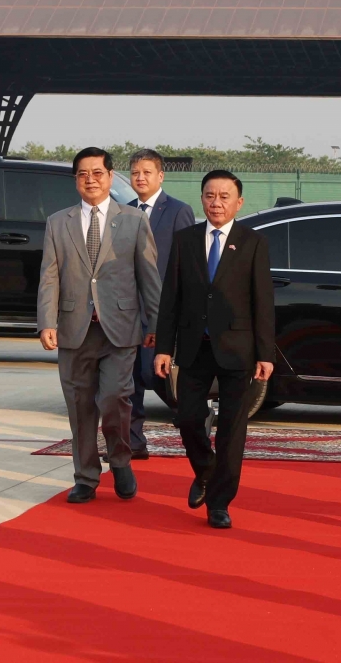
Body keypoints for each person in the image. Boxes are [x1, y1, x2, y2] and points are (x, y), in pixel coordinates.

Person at [37, 147, 160, 503]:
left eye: (97, 173)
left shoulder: (134, 221)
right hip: (74, 328)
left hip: (120, 328)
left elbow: (148, 277)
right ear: (75, 180)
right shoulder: (58, 222)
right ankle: (86, 477)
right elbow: (50, 276)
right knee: (79, 406)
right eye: (82, 174)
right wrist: (47, 320)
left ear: (110, 177)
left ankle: (120, 458)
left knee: (113, 399)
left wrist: (155, 323)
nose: (90, 179)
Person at [154, 170, 274, 529]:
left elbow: (263, 302)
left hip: (238, 349)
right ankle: (205, 469)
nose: (216, 203)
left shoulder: (252, 242)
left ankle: (220, 503)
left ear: (239, 202)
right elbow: (170, 299)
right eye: (209, 195)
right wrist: (164, 347)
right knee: (188, 419)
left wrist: (265, 353)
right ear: (201, 198)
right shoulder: (185, 240)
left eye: (224, 196)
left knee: (232, 431)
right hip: (193, 347)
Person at [125, 148, 194, 458]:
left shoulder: (179, 211)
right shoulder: (123, 211)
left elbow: (186, 263)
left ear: (160, 176)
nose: (140, 178)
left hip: (162, 311)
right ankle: (133, 442)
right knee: (128, 381)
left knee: (156, 374)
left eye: (147, 172)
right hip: (126, 310)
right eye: (136, 173)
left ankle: (197, 417)